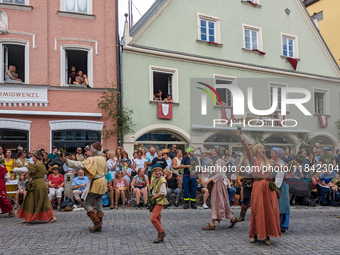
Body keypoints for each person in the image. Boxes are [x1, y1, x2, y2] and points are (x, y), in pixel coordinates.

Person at [237, 130, 281, 245]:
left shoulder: (270, 162)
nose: (263, 149)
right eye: (261, 147)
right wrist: (242, 138)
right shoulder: (253, 161)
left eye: (263, 147)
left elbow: (282, 167)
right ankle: (254, 234)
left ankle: (267, 235)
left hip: (268, 187)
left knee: (269, 210)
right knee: (257, 210)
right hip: (257, 187)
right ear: (256, 150)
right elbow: (247, 150)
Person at [62, 142, 107, 232]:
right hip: (102, 181)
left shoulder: (92, 159)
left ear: (94, 150)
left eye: (91, 148)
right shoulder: (103, 158)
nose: (90, 150)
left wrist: (67, 161)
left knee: (86, 204)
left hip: (96, 183)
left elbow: (80, 165)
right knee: (98, 204)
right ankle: (99, 225)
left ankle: (97, 222)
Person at [14, 151, 56, 223]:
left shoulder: (36, 165)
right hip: (39, 184)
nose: (32, 158)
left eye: (33, 157)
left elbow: (25, 169)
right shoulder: (42, 165)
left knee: (40, 201)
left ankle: (52, 217)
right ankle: (27, 217)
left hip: (37, 185)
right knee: (32, 200)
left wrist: (14, 169)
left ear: (36, 157)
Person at [202, 154, 237, 230]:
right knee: (223, 202)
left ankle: (212, 223)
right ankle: (232, 218)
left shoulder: (218, 161)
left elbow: (220, 174)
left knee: (216, 202)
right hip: (219, 183)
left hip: (218, 184)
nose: (212, 152)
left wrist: (209, 180)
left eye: (214, 151)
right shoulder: (217, 161)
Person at [271, 147, 290, 233]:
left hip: (281, 185)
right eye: (271, 153)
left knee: (282, 204)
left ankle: (282, 224)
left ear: (278, 154)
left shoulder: (281, 163)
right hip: (278, 184)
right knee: (278, 204)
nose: (271, 155)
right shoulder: (275, 163)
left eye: (272, 153)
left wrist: (275, 187)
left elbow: (279, 176)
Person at [149, 164, 168, 243]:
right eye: (156, 171)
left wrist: (153, 198)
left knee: (153, 219)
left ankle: (161, 232)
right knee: (157, 218)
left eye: (159, 170)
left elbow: (163, 192)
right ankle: (159, 235)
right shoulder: (155, 179)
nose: (158, 172)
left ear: (161, 171)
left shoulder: (162, 179)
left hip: (160, 201)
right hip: (155, 200)